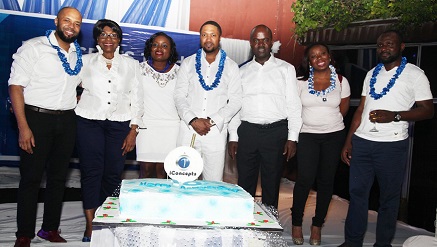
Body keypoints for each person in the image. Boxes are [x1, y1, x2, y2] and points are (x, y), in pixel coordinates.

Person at [339, 30, 434, 247]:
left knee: (388, 201)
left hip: (392, 146)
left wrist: (396, 115)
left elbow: (428, 110)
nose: (384, 48)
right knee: (357, 196)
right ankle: (352, 242)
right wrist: (349, 140)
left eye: (389, 44)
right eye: (380, 45)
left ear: (401, 47)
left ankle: (383, 244)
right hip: (362, 143)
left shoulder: (415, 74)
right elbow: (361, 108)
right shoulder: (372, 73)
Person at [8, 7, 83, 247]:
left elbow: (79, 86)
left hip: (67, 120)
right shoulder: (34, 47)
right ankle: (24, 234)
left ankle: (49, 229)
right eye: (67, 21)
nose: (71, 26)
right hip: (36, 119)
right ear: (56, 21)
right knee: (31, 178)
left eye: (77, 23)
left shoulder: (77, 54)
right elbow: (16, 87)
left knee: (58, 178)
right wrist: (23, 127)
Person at [75, 19, 144, 242]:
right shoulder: (85, 61)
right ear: (97, 39)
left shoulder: (131, 65)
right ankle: (90, 224)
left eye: (113, 35)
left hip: (119, 124)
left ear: (119, 40)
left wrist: (134, 129)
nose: (108, 39)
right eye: (104, 35)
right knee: (91, 171)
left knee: (113, 173)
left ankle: (105, 221)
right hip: (88, 121)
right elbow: (68, 85)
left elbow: (137, 98)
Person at [228, 24, 302, 209]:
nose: (261, 44)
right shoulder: (240, 71)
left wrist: (292, 137)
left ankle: (270, 228)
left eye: (265, 39)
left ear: (271, 43)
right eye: (256, 40)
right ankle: (245, 224)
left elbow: (293, 104)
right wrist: (233, 137)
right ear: (251, 43)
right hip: (248, 132)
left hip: (275, 133)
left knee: (272, 183)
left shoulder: (286, 69)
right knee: (245, 184)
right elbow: (235, 106)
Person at [291, 43, 350, 245]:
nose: (319, 58)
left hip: (333, 136)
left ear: (329, 56)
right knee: (305, 180)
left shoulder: (342, 81)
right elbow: (294, 109)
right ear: (308, 61)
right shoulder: (300, 82)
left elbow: (343, 109)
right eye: (314, 56)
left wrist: (327, 123)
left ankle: (317, 226)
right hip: (307, 135)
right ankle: (296, 223)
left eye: (322, 54)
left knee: (326, 181)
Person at [174, 20, 242, 181]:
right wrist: (193, 119)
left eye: (213, 35)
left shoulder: (231, 67)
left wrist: (212, 120)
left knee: (213, 183)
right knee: (183, 182)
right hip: (188, 131)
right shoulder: (188, 63)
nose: (208, 39)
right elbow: (179, 96)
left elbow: (236, 101)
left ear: (219, 38)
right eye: (204, 35)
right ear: (200, 38)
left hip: (215, 134)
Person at [136, 32, 180, 178]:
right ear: (149, 48)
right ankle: (142, 201)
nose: (159, 48)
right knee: (146, 171)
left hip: (171, 128)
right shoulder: (138, 69)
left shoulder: (180, 72)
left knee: (164, 173)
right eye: (155, 45)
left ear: (171, 50)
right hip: (146, 127)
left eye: (164, 45)